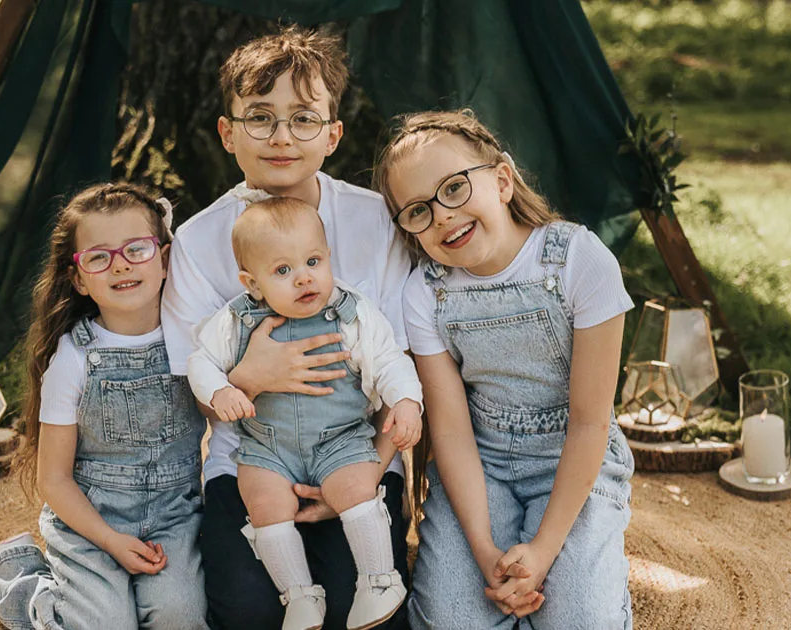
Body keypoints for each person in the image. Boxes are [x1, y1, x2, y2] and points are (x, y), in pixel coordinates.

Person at [161, 26, 414, 630]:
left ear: (332, 133)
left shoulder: (375, 221)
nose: (281, 137)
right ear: (228, 132)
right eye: (259, 118)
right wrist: (250, 375)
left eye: (303, 118)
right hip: (250, 466)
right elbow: (190, 388)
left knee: (366, 609)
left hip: (360, 459)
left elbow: (401, 369)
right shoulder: (198, 241)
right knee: (252, 613)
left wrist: (367, 475)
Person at [374, 110, 637, 629]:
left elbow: (590, 421)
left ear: (501, 179)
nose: (443, 216)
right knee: (452, 619)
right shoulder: (425, 292)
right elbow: (449, 429)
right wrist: (485, 549)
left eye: (453, 188)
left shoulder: (578, 260)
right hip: (482, 463)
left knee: (579, 620)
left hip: (574, 458)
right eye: (418, 211)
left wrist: (540, 551)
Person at [187, 197, 422, 630]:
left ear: (328, 256)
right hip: (267, 447)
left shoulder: (352, 313)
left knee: (355, 485)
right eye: (282, 271)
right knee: (262, 502)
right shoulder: (235, 320)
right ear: (251, 282)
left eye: (313, 261)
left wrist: (406, 401)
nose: (304, 278)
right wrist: (222, 388)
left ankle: (379, 580)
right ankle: (298, 594)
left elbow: (390, 361)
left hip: (341, 437)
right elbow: (200, 363)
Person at [0, 183, 207, 630]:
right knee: (106, 625)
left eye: (136, 249)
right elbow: (54, 479)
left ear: (165, 258)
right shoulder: (73, 358)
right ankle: (22, 577)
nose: (121, 264)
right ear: (79, 279)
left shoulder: (195, 340)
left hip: (175, 517)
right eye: (99, 257)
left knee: (179, 617)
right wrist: (110, 539)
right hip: (91, 522)